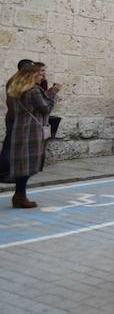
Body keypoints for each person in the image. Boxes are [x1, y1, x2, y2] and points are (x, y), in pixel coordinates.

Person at [3, 64, 60, 208]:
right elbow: (46, 108)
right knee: (28, 164)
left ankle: (19, 195)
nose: (42, 75)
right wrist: (53, 93)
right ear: (32, 75)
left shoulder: (16, 89)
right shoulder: (34, 90)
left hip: (19, 128)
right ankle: (20, 196)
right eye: (40, 73)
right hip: (32, 131)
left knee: (22, 163)